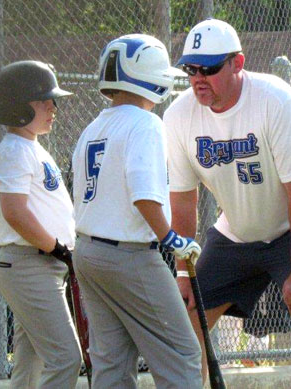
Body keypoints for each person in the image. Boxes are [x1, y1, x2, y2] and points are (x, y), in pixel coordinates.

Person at [163, 19, 291, 389]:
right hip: (239, 231)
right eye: (191, 69)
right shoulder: (178, 116)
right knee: (189, 320)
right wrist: (183, 274)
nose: (199, 78)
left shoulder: (274, 99)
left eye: (210, 68)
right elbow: (183, 200)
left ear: (237, 63)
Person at [72, 34, 202, 388]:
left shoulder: (93, 128)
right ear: (149, 76)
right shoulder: (145, 124)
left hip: (88, 252)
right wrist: (172, 239)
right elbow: (143, 195)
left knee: (111, 363)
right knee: (182, 354)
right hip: (128, 255)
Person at [0, 60, 82, 389]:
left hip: (38, 264)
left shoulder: (30, 147)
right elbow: (15, 212)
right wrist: (56, 247)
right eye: (43, 101)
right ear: (18, 107)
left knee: (30, 364)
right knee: (67, 357)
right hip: (30, 264)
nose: (52, 107)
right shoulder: (14, 149)